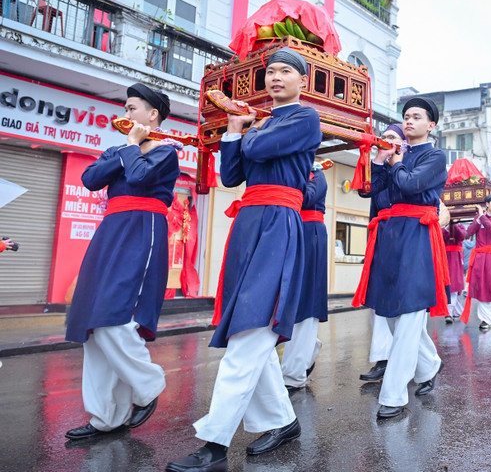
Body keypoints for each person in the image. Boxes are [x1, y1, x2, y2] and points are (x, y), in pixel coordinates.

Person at [167, 47, 322, 472]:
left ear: (302, 82)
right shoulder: (263, 121)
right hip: (249, 223)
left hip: (278, 224)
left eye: (286, 71)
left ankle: (214, 445)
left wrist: (242, 129)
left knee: (250, 333)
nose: (275, 77)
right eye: (270, 71)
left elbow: (260, 149)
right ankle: (284, 421)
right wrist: (234, 132)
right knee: (247, 332)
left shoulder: (303, 117)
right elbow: (231, 175)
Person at [64, 83, 179, 441]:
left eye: (132, 108)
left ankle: (149, 384)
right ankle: (105, 417)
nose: (126, 114)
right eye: (126, 108)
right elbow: (90, 179)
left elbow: (141, 176)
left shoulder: (166, 152)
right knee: (93, 328)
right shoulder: (121, 149)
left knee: (116, 318)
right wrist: (126, 149)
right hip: (110, 233)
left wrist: (131, 147)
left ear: (152, 115)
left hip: (141, 231)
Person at [352, 96, 449, 420]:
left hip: (417, 237)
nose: (408, 121)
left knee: (408, 315)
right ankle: (430, 364)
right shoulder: (396, 155)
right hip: (390, 237)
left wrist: (395, 164)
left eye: (416, 117)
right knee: (393, 315)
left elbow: (410, 184)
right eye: (406, 116)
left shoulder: (435, 156)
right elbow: (373, 193)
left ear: (430, 125)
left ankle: (393, 397)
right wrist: (381, 161)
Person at [358, 124, 402, 383]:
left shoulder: (408, 167)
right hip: (380, 238)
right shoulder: (380, 169)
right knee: (377, 303)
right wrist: (379, 160)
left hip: (404, 238)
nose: (386, 141)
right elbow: (367, 192)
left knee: (403, 307)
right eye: (383, 137)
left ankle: (423, 361)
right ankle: (382, 358)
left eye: (392, 137)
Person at [281, 163, 328, 391]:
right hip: (290, 229)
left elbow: (306, 198)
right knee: (290, 299)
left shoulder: (317, 173)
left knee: (306, 301)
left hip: (310, 234)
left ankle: (295, 372)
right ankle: (306, 352)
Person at [464, 194, 491, 330]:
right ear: (487, 204)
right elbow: (469, 232)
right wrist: (478, 219)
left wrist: (482, 217)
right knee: (482, 286)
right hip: (480, 256)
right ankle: (486, 320)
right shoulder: (479, 218)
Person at [444, 219, 467, 322]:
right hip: (444, 257)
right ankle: (459, 312)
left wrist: (454, 224)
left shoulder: (461, 226)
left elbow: (462, 235)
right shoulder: (443, 227)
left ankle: (448, 312)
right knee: (450, 286)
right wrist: (446, 226)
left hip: (456, 258)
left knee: (453, 285)